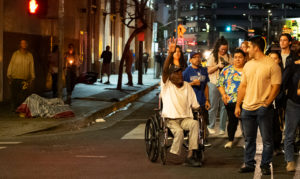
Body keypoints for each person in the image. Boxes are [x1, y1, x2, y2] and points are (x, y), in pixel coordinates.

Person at [235, 36, 281, 175]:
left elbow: (276, 86)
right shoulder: (248, 64)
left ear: (256, 47)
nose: (247, 49)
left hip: (263, 108)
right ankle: (249, 163)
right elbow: (242, 86)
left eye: (249, 47)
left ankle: (265, 164)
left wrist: (267, 103)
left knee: (267, 140)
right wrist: (238, 105)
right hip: (247, 108)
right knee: (249, 139)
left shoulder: (271, 64)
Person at [161, 38, 201, 167]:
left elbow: (195, 104)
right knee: (178, 132)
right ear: (171, 76)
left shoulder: (187, 87)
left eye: (180, 74)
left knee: (195, 124)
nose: (179, 76)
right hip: (171, 119)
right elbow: (165, 71)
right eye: (176, 74)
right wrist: (169, 53)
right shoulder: (167, 85)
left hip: (185, 119)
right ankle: (174, 153)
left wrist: (200, 110)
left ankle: (190, 155)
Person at [217, 49, 246, 149]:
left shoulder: (248, 69)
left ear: (244, 58)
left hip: (245, 100)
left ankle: (247, 141)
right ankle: (230, 140)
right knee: (232, 121)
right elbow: (220, 84)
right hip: (230, 100)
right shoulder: (227, 69)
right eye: (236, 57)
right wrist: (223, 94)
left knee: (246, 121)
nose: (238, 59)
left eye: (240, 57)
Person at [183, 52, 211, 146]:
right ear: (190, 60)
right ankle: (189, 140)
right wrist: (192, 84)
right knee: (192, 122)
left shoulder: (203, 70)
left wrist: (207, 99)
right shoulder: (186, 72)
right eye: (194, 57)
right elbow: (182, 86)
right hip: (190, 102)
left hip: (202, 100)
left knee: (203, 121)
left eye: (199, 57)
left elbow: (206, 86)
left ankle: (204, 139)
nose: (197, 59)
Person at [206, 36, 231, 135]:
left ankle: (222, 128)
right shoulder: (212, 56)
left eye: (225, 49)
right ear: (218, 48)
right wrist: (217, 66)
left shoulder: (228, 56)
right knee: (213, 106)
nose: (224, 51)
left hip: (225, 84)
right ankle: (211, 126)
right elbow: (208, 70)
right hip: (214, 83)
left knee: (224, 106)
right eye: (222, 49)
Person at [282, 58, 300, 172]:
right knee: (290, 133)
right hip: (294, 103)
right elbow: (283, 83)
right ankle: (289, 160)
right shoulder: (293, 66)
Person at [7, 40, 35, 111]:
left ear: (27, 45)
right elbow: (11, 64)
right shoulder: (15, 54)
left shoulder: (29, 55)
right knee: (14, 95)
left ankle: (22, 109)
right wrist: (9, 75)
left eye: (25, 43)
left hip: (25, 79)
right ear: (20, 45)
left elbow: (31, 66)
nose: (24, 44)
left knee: (24, 95)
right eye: (22, 43)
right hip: (15, 78)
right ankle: (14, 109)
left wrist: (32, 77)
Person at [268, 51, 284, 156]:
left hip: (278, 103)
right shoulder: (264, 71)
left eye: (275, 58)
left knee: (278, 126)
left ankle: (277, 146)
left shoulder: (282, 72)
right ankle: (271, 147)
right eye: (270, 58)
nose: (273, 61)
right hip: (266, 103)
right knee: (268, 126)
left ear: (279, 60)